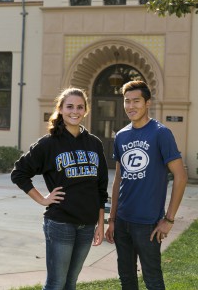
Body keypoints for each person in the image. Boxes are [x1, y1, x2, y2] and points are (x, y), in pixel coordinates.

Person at [11, 87, 108, 290]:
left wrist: (100, 223)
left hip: (88, 225)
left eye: (80, 107)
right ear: (61, 109)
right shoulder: (49, 144)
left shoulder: (94, 144)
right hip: (61, 222)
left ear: (86, 110)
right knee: (56, 283)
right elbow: (19, 172)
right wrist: (43, 199)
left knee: (71, 283)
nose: (75, 111)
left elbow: (100, 187)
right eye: (70, 106)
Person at [105, 80, 187, 290]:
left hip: (148, 223)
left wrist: (168, 219)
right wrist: (112, 219)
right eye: (127, 101)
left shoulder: (161, 133)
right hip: (122, 221)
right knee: (126, 279)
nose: (131, 106)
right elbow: (118, 179)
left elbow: (180, 175)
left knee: (153, 280)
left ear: (148, 103)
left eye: (136, 101)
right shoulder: (121, 135)